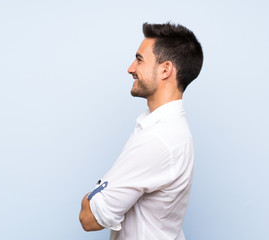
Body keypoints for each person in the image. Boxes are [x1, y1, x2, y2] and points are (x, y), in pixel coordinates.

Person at [79, 22, 203, 240]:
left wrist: (93, 196)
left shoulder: (158, 138)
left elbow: (89, 218)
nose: (130, 68)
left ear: (165, 69)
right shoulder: (163, 128)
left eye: (139, 60)